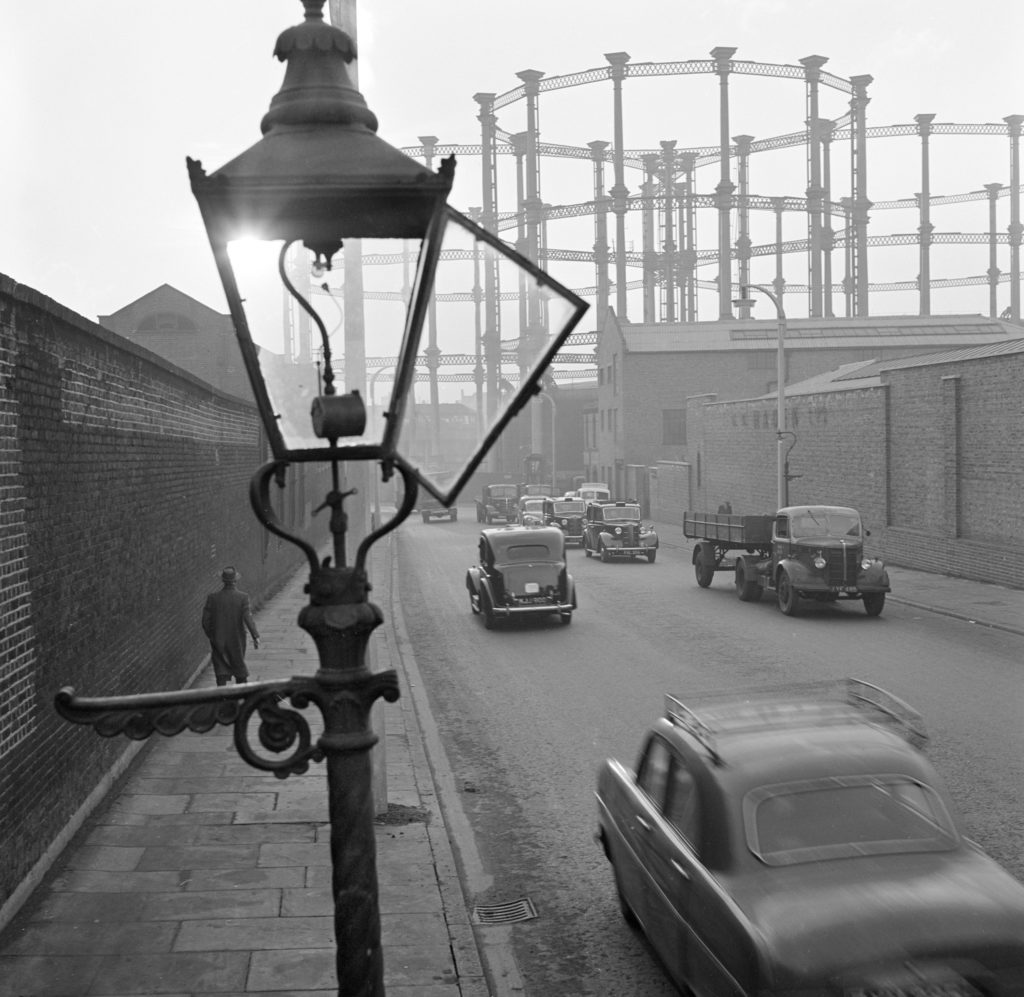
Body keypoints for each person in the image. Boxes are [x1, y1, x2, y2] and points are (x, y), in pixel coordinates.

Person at [202, 566, 260, 686]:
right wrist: (255, 636)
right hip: (237, 639)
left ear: (223, 580)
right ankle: (241, 692)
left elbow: (205, 621)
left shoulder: (213, 598)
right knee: (239, 666)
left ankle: (223, 696)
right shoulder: (243, 597)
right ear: (235, 580)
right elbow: (247, 618)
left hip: (219, 639)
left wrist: (213, 635)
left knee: (221, 670)